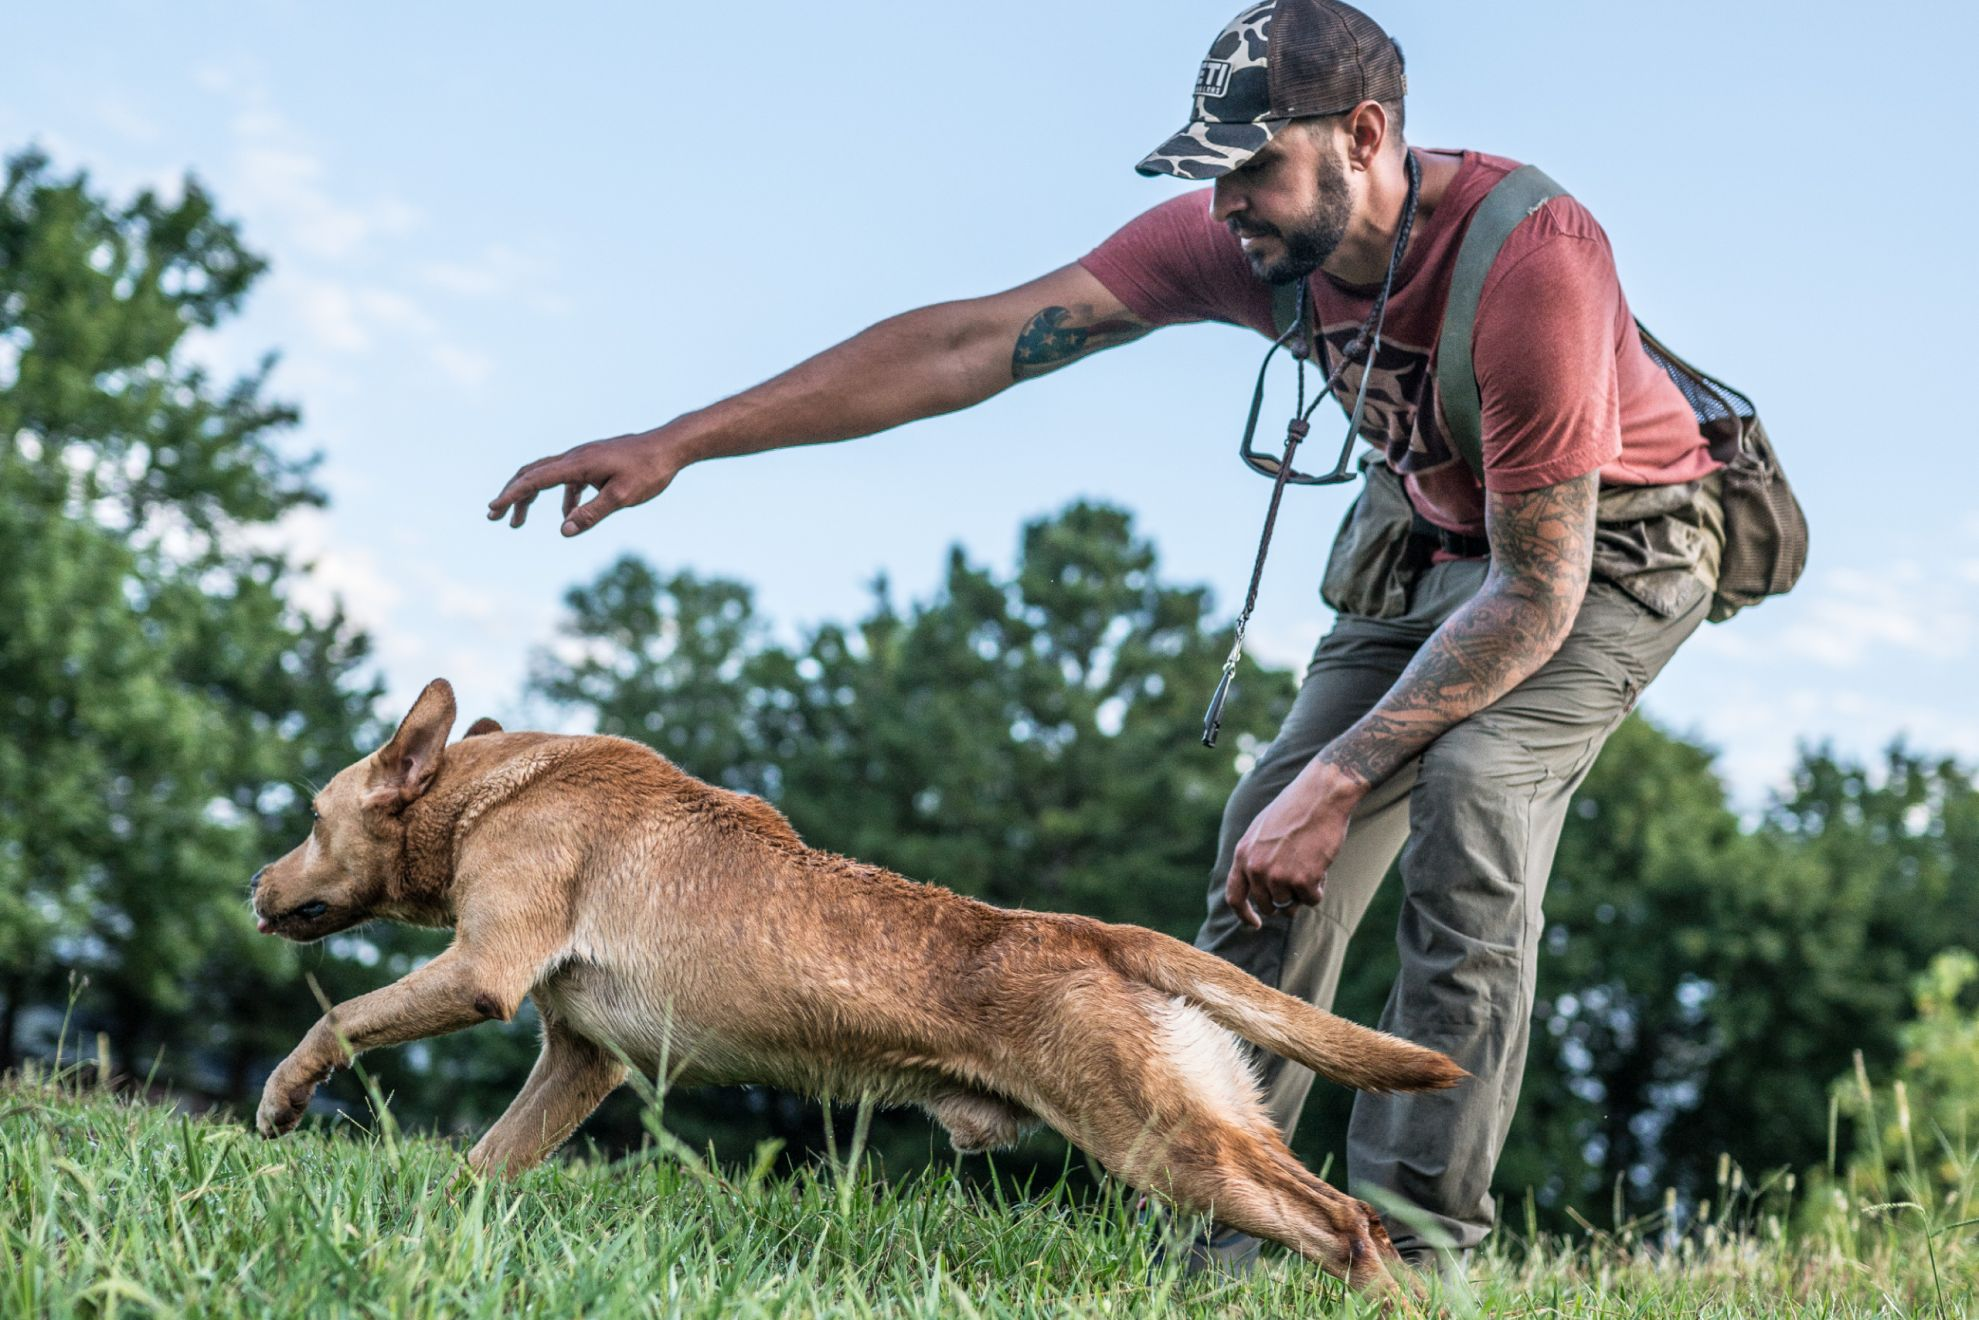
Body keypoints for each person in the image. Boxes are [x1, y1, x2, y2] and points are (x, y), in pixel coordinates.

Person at [486, 0, 1725, 1274]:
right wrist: (678, 442)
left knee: (1468, 798)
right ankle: (1225, 1241)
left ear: (1364, 137)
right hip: (1429, 540)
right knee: (1267, 830)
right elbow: (975, 339)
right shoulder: (1237, 241)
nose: (1228, 202)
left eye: (1254, 166)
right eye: (1213, 170)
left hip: (1601, 553)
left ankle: (1414, 1253)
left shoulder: (1531, 260)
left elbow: (1532, 593)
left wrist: (1346, 774)